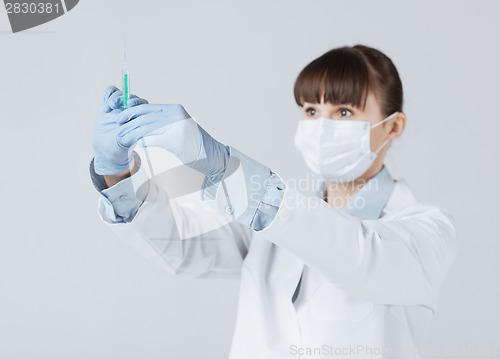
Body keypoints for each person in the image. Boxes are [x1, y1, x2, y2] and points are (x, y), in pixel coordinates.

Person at [90, 45, 459, 359]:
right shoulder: (270, 227)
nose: (321, 126)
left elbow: (360, 256)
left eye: (344, 112)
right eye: (312, 111)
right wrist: (116, 173)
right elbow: (183, 247)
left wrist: (225, 171)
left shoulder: (426, 231)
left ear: (392, 126)